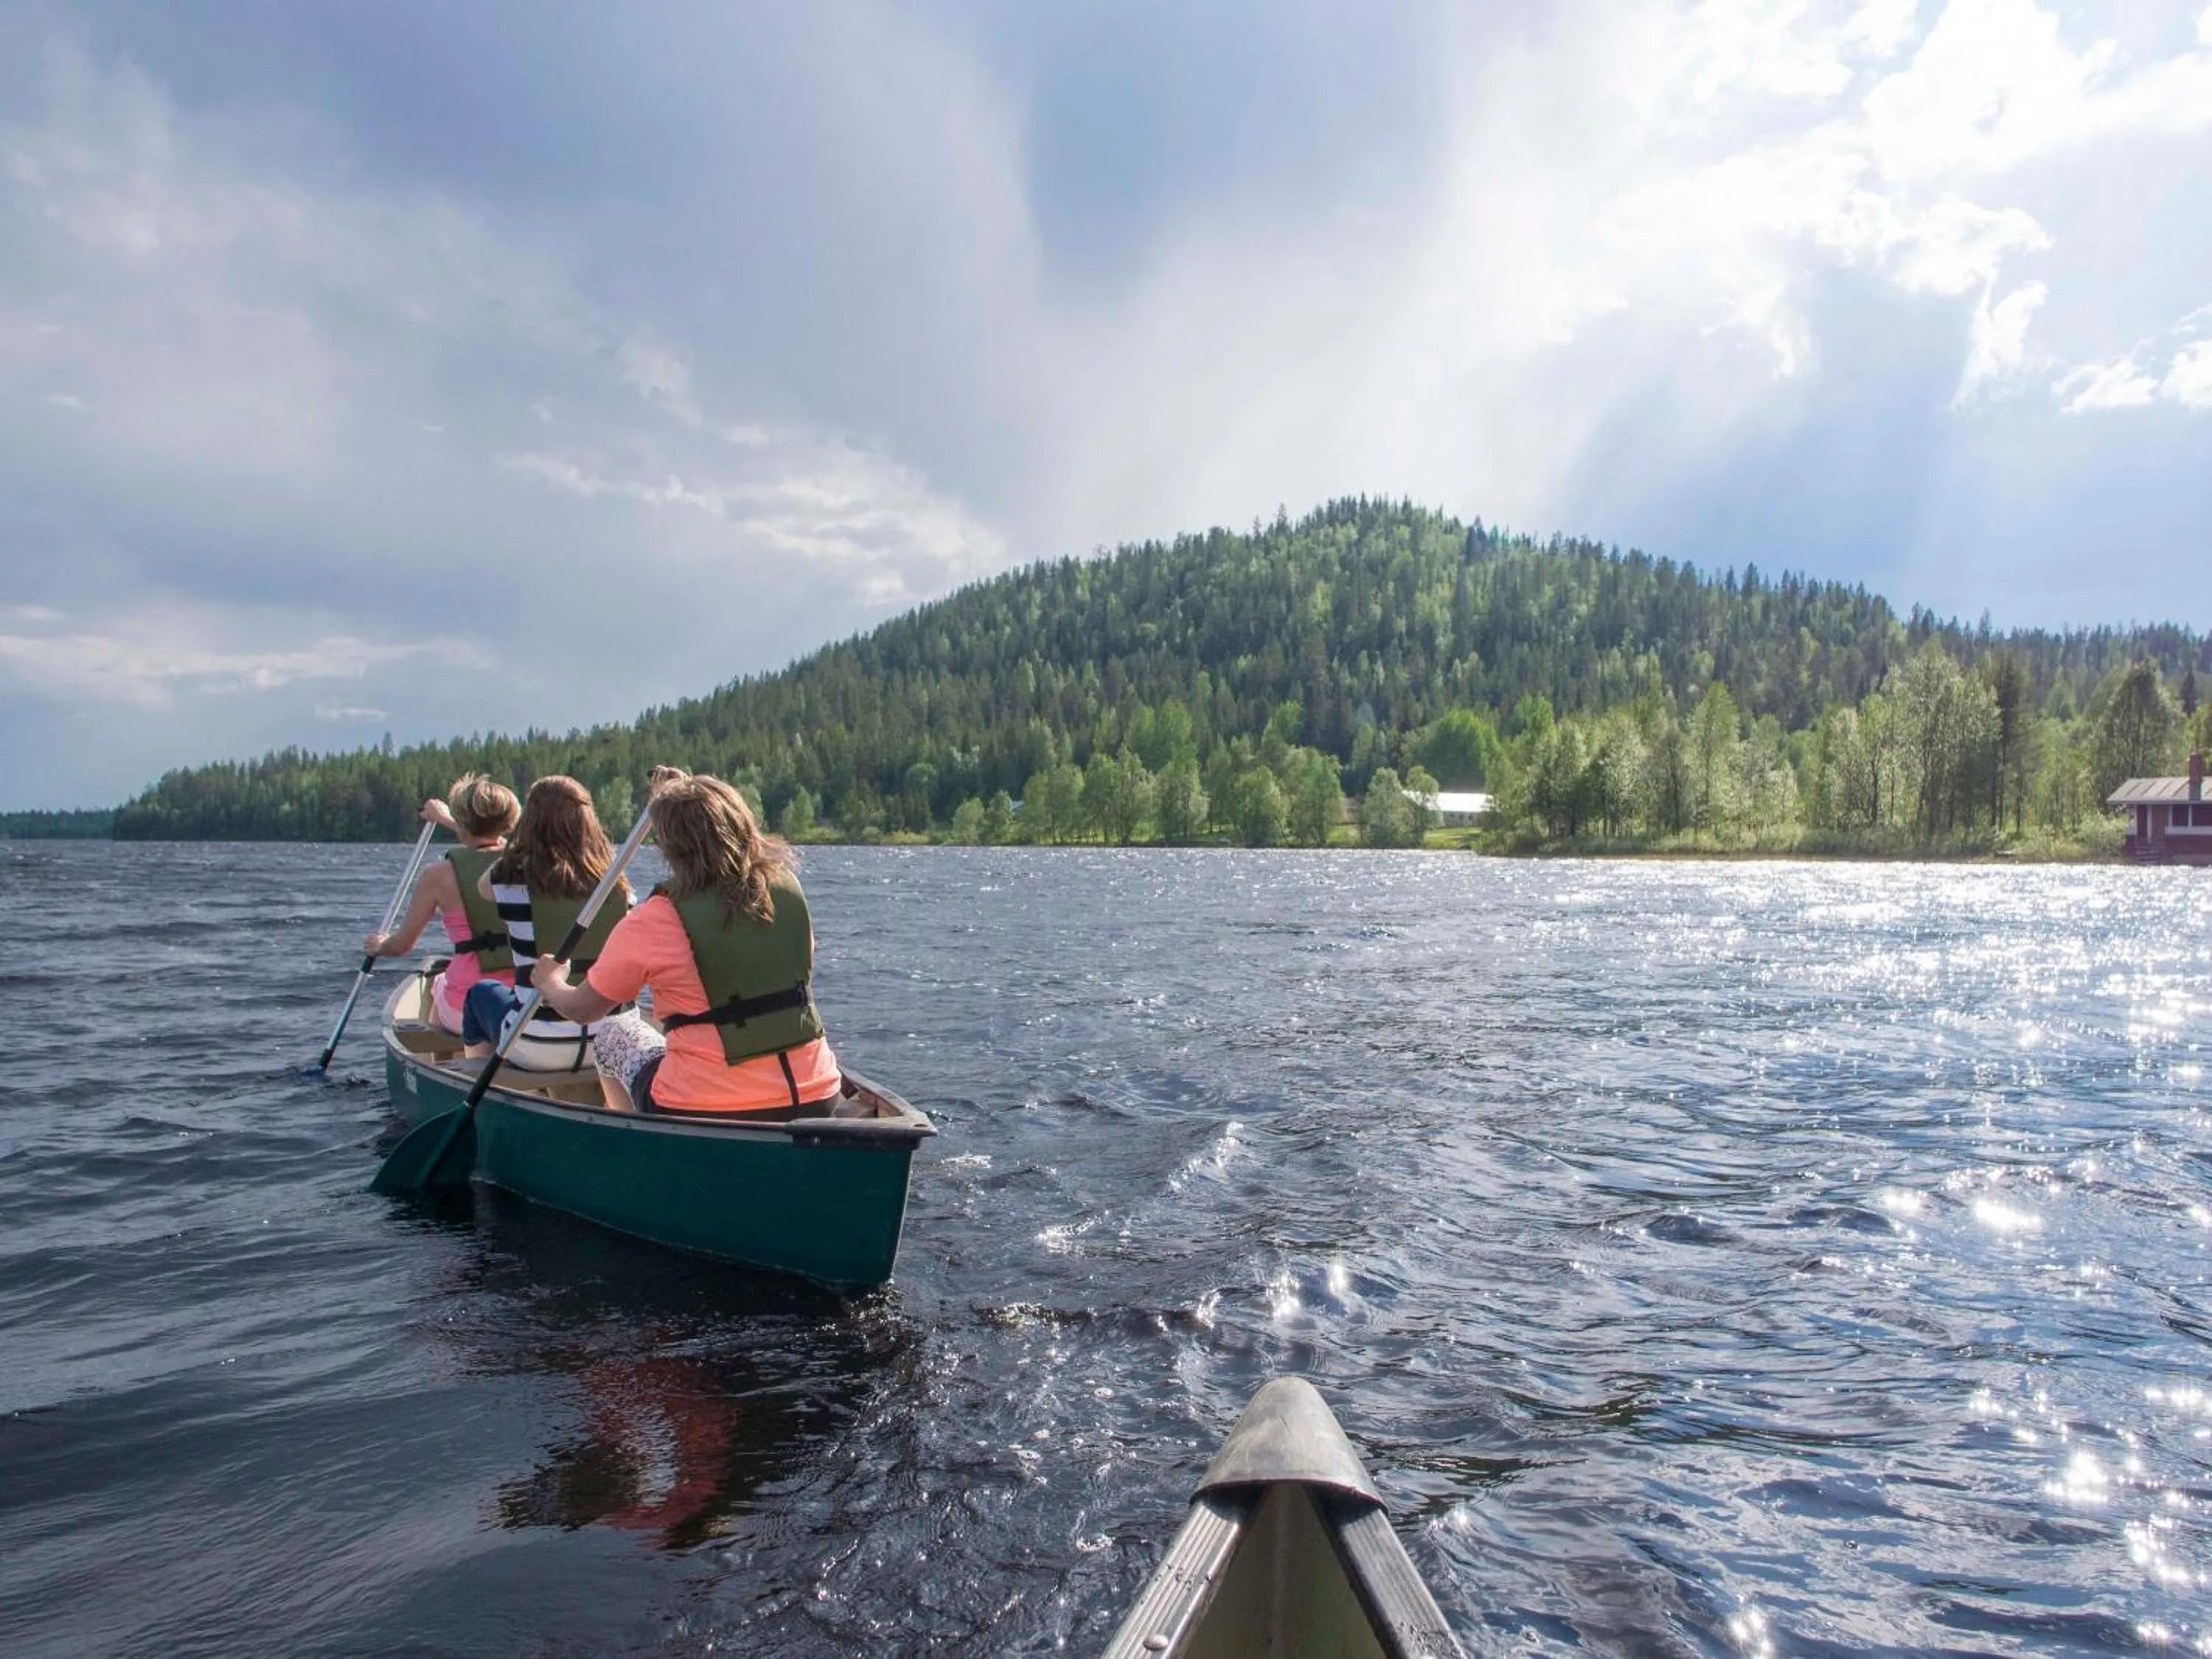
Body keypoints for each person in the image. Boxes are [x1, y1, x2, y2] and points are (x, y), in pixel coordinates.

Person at [532, 768, 841, 1116]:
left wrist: (551, 982)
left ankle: (633, 1137)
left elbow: (583, 1010)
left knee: (613, 1035)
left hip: (703, 1105)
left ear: (670, 847)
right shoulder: (787, 892)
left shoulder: (655, 918)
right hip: (818, 1094)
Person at [462, 775, 632, 1070]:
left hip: (536, 1042)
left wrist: (516, 850)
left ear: (530, 822)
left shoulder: (507, 879)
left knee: (480, 994)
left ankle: (485, 1084)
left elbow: (482, 889)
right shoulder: (619, 888)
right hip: (615, 1042)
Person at [362, 773, 521, 1038]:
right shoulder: (526, 863)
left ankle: (446, 1056)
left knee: (438, 985)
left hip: (465, 1005)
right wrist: (447, 820)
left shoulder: (438, 875)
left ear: (463, 822)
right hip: (523, 1003)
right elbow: (492, 845)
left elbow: (401, 946)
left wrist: (379, 946)